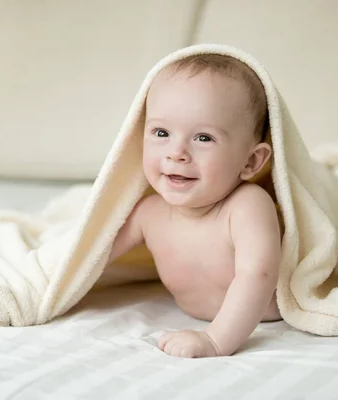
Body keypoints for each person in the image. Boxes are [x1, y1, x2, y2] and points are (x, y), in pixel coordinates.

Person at [108, 54, 282, 358]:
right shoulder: (148, 212)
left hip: (258, 321)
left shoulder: (246, 207)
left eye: (203, 138)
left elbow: (258, 275)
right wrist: (49, 288)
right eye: (161, 133)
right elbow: (92, 255)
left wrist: (216, 340)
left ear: (251, 160)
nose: (177, 153)